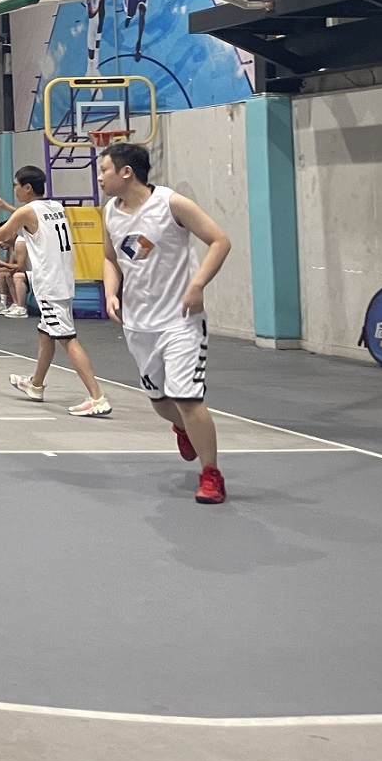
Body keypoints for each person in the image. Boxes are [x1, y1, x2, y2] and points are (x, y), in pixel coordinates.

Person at [99, 142, 233, 504]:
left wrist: (197, 284)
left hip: (180, 322)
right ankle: (182, 428)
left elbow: (220, 241)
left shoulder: (172, 204)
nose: (100, 178)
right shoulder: (110, 212)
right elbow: (110, 258)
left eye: (105, 170)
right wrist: (111, 292)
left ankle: (211, 475)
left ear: (126, 172)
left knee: (187, 398)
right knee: (160, 403)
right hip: (139, 324)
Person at [0, 166, 111, 417]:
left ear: (27, 187)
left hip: (49, 285)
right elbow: (29, 217)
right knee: (45, 333)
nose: (15, 189)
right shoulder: (55, 206)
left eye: (16, 185)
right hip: (62, 280)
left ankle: (97, 397)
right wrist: (7, 207)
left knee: (67, 338)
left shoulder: (27, 212)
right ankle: (36, 384)